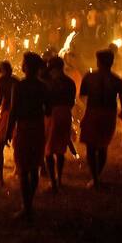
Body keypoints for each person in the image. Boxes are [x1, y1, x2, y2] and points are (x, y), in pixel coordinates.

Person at [6, 53, 49, 221]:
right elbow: (49, 109)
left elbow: (13, 110)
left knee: (24, 169)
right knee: (34, 166)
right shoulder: (43, 87)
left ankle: (27, 207)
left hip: (24, 128)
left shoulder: (19, 86)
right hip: (38, 127)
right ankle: (29, 204)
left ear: (27, 67)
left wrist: (9, 131)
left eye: (23, 63)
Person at [79, 50, 122, 190]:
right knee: (102, 146)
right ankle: (96, 177)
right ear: (112, 62)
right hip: (108, 114)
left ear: (98, 61)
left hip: (93, 112)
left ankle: (95, 178)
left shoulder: (89, 77)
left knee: (91, 147)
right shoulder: (117, 80)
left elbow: (82, 96)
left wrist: (87, 110)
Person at [44, 57, 76, 192]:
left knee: (49, 150)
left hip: (53, 115)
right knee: (61, 148)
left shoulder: (49, 83)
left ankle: (53, 182)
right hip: (66, 114)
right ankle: (60, 178)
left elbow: (46, 102)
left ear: (54, 69)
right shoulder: (70, 82)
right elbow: (71, 102)